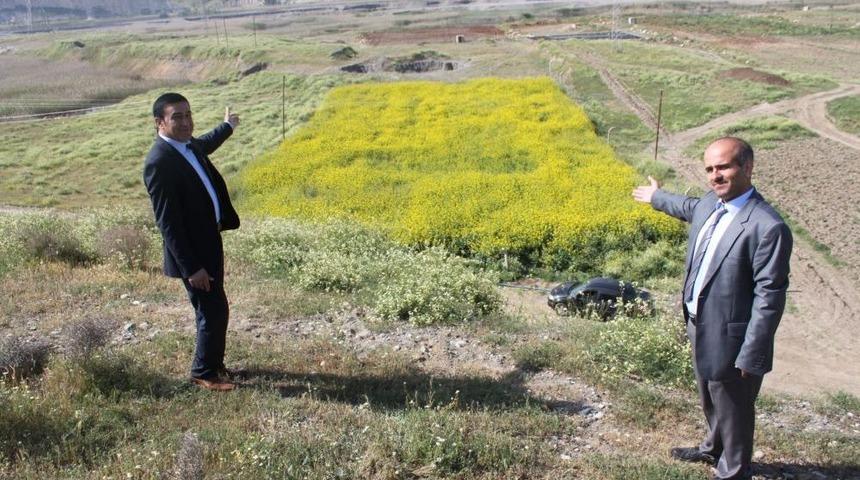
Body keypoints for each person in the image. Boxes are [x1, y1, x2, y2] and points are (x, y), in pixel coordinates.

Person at [632, 137, 792, 480]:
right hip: (699, 322)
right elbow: (687, 207)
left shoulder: (768, 226)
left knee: (734, 406)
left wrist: (753, 352)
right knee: (709, 393)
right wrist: (657, 197)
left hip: (733, 335)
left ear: (747, 168)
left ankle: (733, 470)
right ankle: (712, 448)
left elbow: (770, 297)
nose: (715, 176)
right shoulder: (710, 204)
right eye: (709, 169)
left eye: (724, 167)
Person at [143, 93, 241, 392]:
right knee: (211, 309)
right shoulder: (160, 162)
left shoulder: (188, 146)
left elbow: (207, 142)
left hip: (209, 240)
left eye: (188, 115)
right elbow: (167, 223)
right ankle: (204, 373)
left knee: (216, 306)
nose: (186, 122)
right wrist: (191, 267)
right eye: (177, 117)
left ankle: (214, 364)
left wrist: (227, 126)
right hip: (194, 253)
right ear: (160, 122)